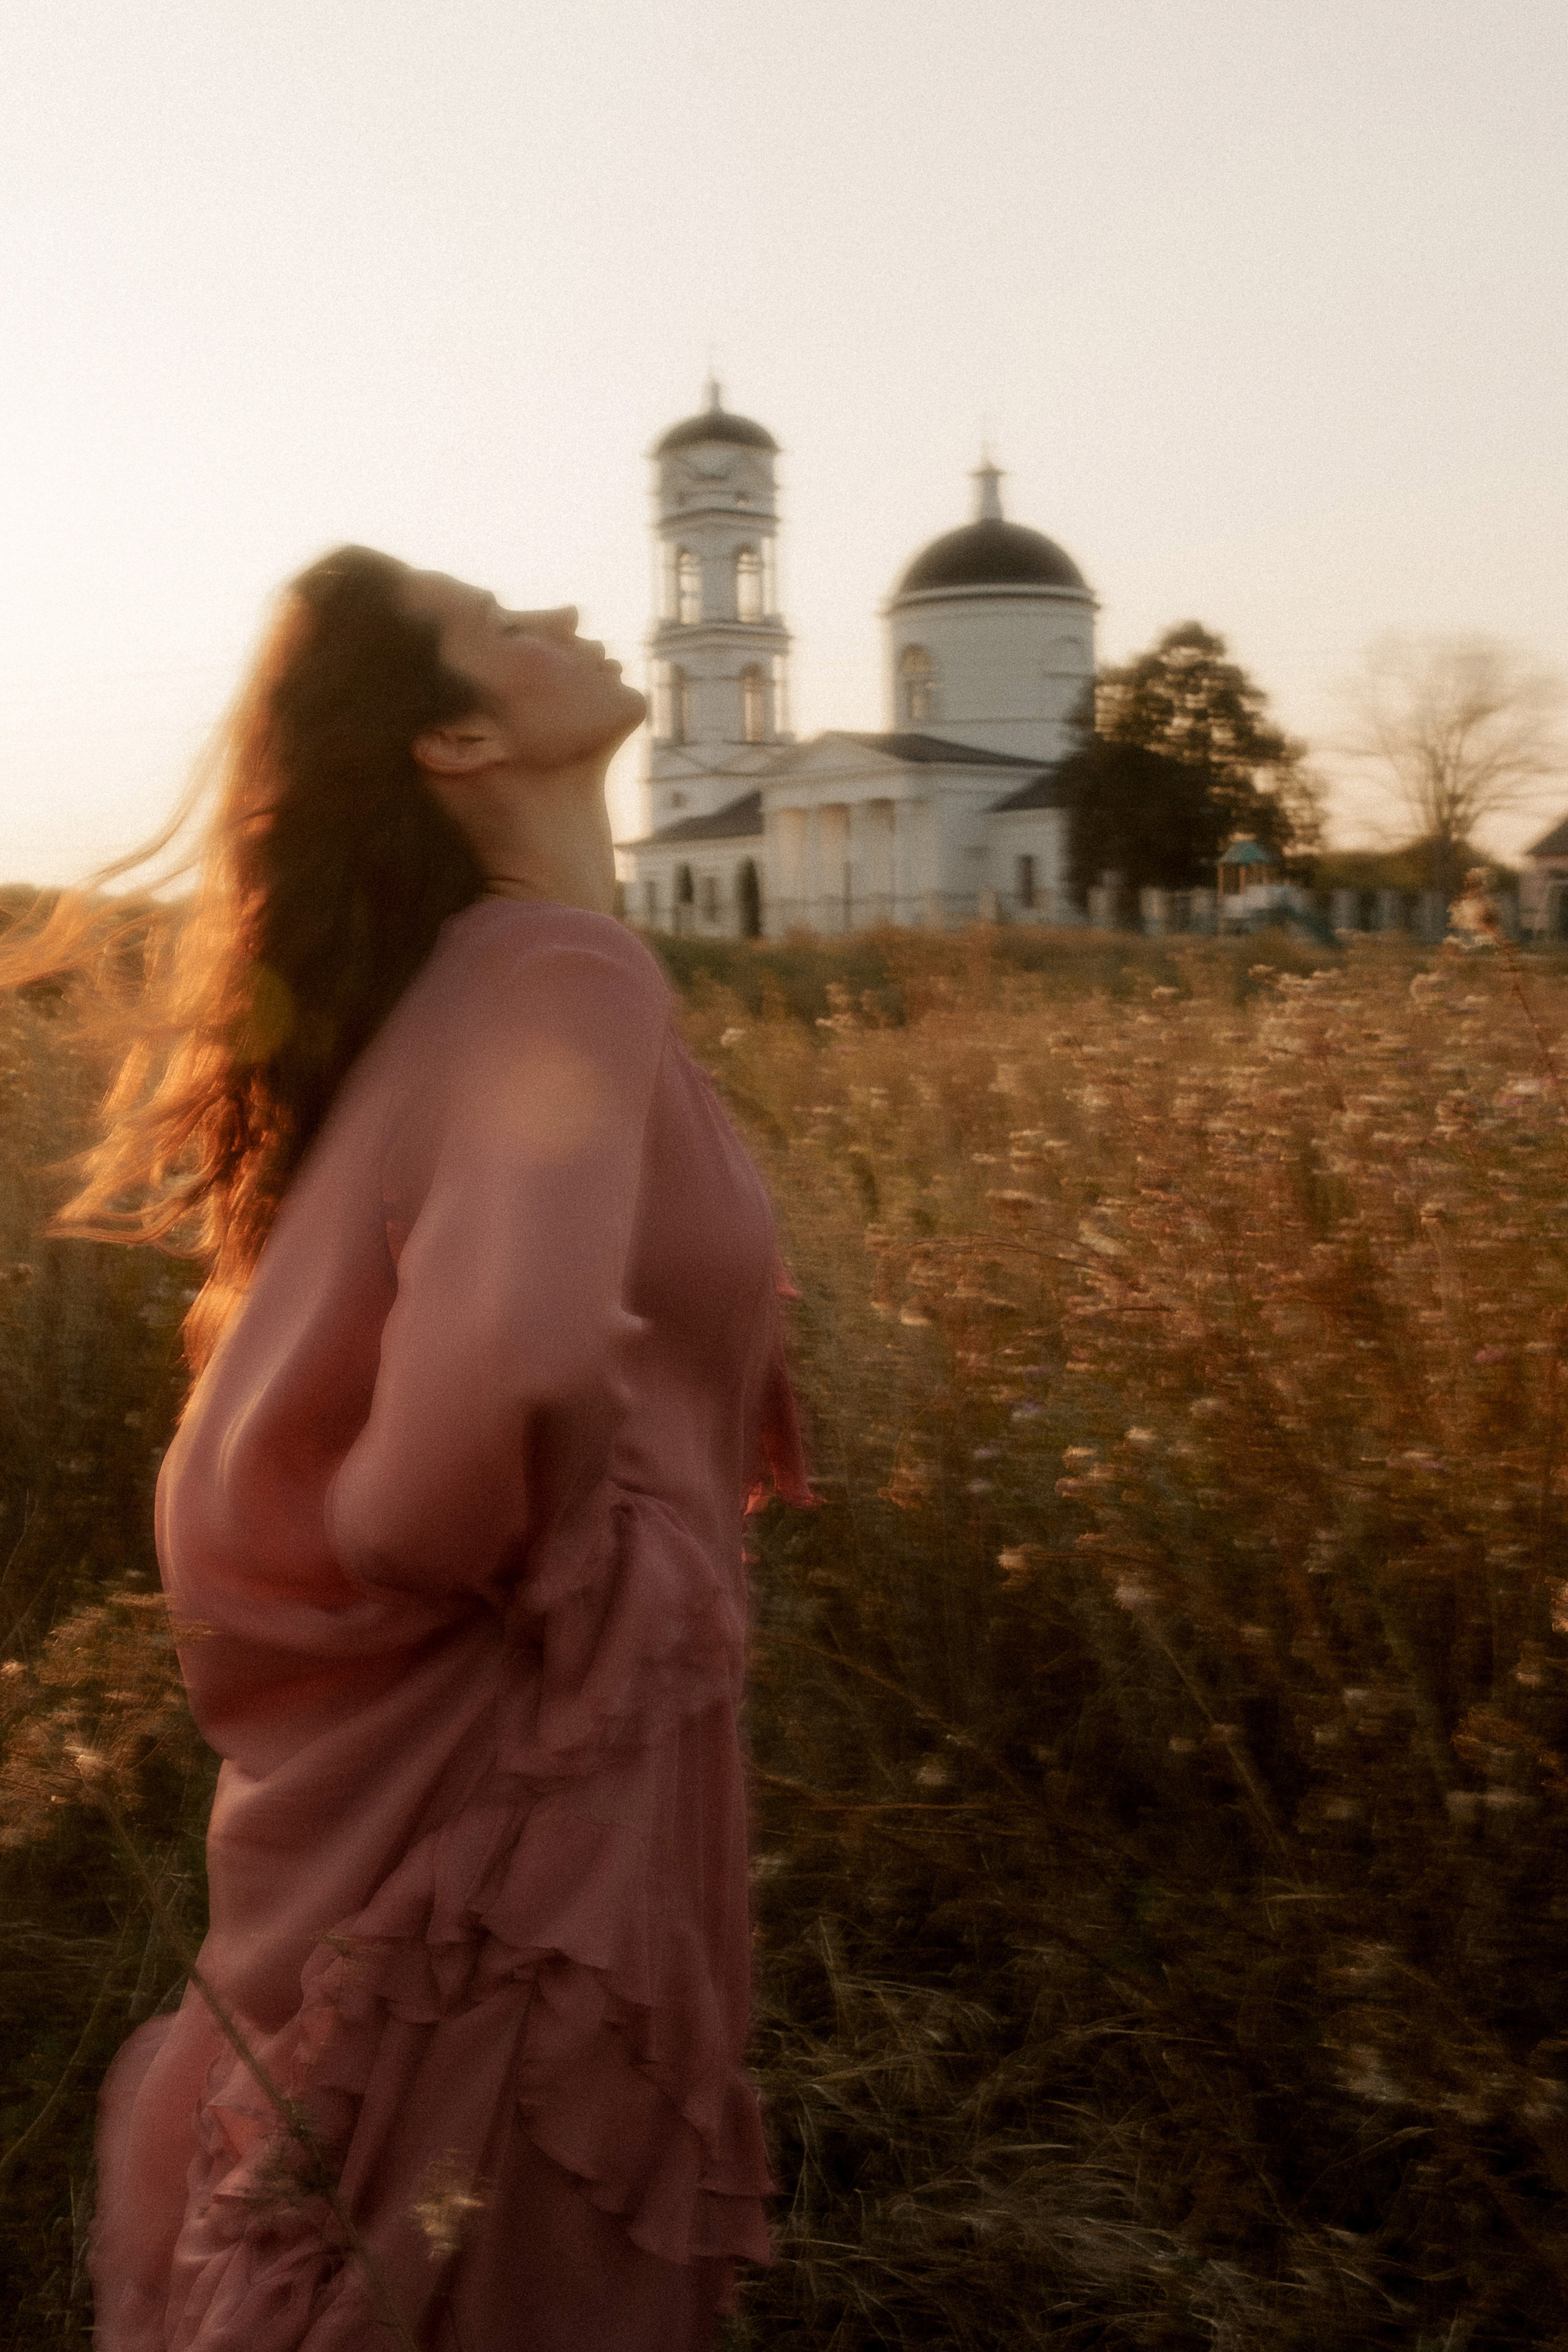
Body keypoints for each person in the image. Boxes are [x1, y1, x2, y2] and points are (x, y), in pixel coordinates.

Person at [16, 546, 815, 2350]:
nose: (575, 619)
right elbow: (510, 1366)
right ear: (454, 739)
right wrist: (560, 1578)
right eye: (510, 628)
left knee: (384, 2210)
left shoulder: (479, 976)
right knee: (476, 2233)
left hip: (487, 1721)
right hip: (525, 1739)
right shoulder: (554, 966)